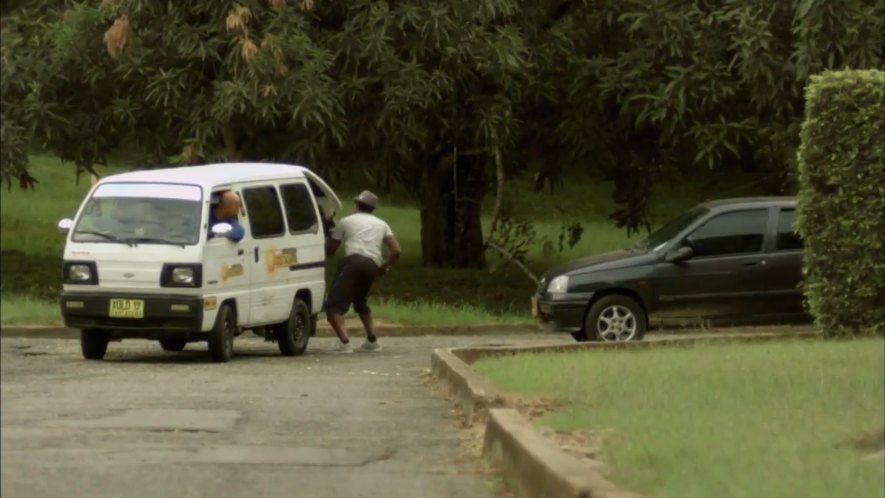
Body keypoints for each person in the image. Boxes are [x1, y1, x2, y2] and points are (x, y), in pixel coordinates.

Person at [324, 190, 401, 353]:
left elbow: (330, 250)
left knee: (333, 306)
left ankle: (344, 343)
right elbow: (396, 251)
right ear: (372, 208)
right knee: (360, 301)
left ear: (357, 205)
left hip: (352, 263)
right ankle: (372, 341)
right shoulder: (382, 224)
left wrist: (330, 231)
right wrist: (384, 267)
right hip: (372, 265)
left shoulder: (346, 221)